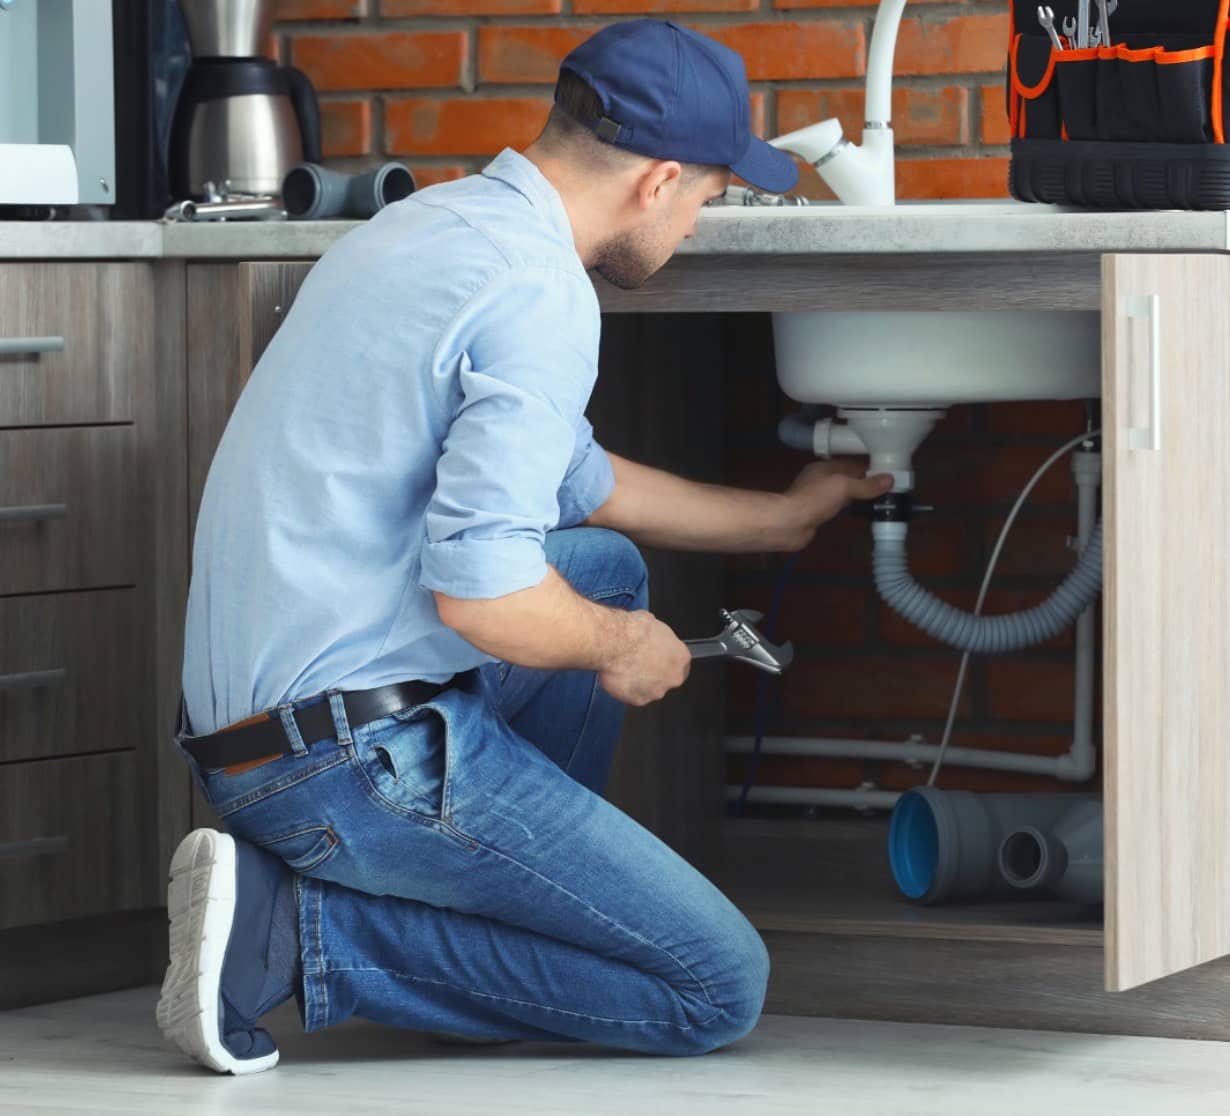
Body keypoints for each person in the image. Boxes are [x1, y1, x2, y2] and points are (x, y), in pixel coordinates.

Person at [156, 17, 893, 1075]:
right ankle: (290, 932)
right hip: (341, 766)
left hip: (252, 732)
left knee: (603, 568)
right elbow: (486, 600)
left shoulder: (437, 227)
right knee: (714, 986)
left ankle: (493, 901)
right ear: (660, 181)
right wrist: (619, 648)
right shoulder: (543, 294)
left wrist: (778, 518)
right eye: (709, 198)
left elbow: (577, 483)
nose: (696, 223)